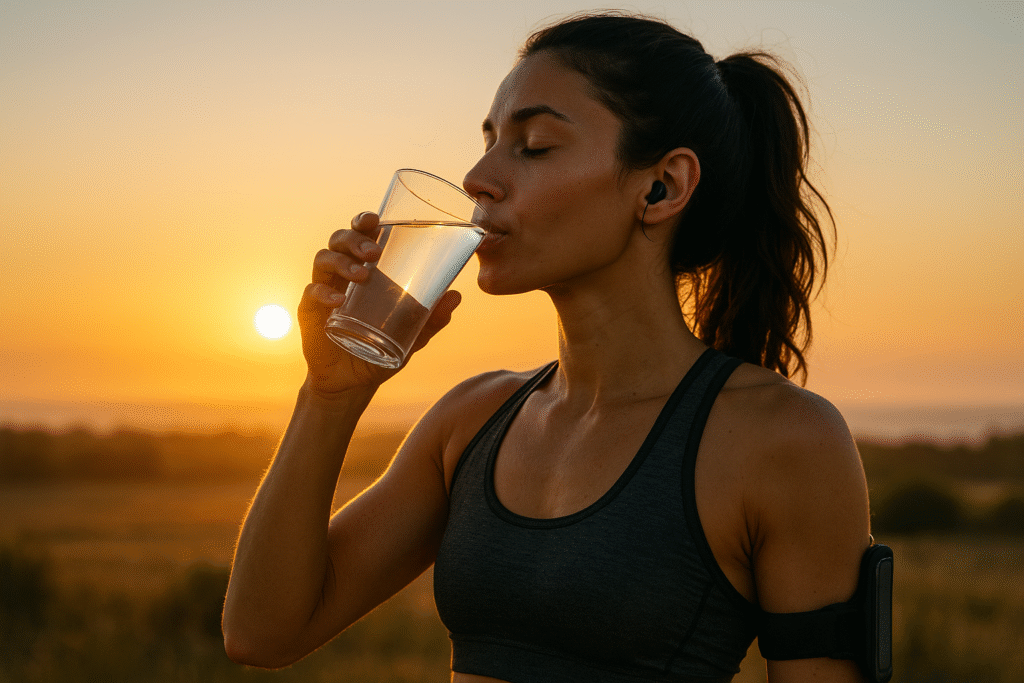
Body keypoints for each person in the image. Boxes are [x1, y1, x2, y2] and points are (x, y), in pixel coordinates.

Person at [222, 11, 873, 683]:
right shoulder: (470, 420)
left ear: (662, 186)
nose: (478, 177)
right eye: (489, 141)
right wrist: (330, 394)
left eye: (532, 145)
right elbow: (263, 630)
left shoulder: (783, 438)